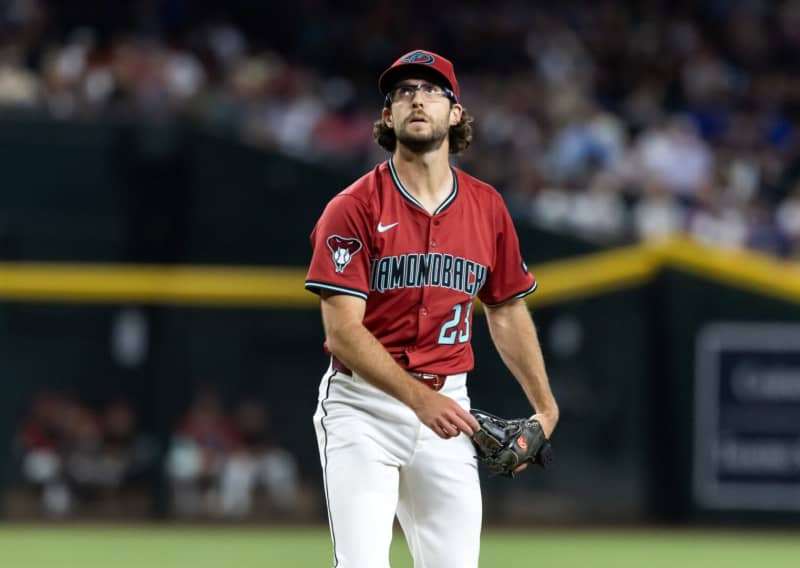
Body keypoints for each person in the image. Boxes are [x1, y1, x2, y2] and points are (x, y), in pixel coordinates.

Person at [305, 49, 559, 568]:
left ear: (456, 113)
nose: (416, 98)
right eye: (402, 92)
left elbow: (506, 310)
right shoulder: (352, 207)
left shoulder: (487, 206)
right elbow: (344, 334)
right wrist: (421, 401)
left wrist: (546, 408)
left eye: (430, 90)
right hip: (362, 409)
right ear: (387, 117)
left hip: (449, 407)